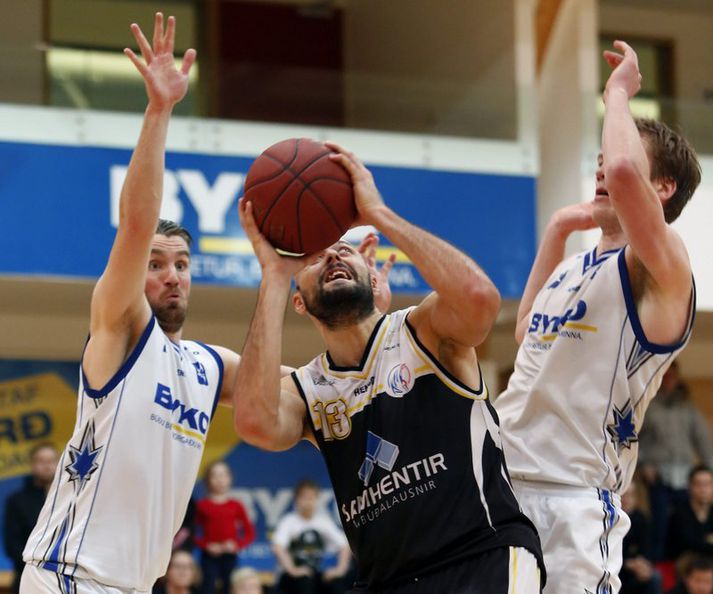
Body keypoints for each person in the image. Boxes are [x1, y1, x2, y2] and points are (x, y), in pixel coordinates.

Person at [234, 142, 545, 593]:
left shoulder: (425, 330)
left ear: (372, 272)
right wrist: (272, 278)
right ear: (297, 301)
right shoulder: (307, 390)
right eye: (316, 256)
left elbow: (479, 299)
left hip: (482, 555)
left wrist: (379, 213)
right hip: (386, 582)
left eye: (344, 248)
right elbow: (255, 422)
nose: (334, 256)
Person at [18, 14, 242, 593]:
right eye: (156, 264)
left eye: (183, 265)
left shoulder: (207, 365)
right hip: (71, 577)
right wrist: (160, 112)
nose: (172, 277)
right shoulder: (119, 329)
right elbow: (136, 225)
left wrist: (280, 274)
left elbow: (285, 392)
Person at [493, 40, 701, 594]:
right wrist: (558, 229)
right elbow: (524, 336)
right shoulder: (576, 264)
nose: (606, 166)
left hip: (573, 499)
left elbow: (629, 173)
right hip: (501, 484)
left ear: (662, 188)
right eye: (601, 162)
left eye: (619, 159)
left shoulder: (664, 267)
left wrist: (616, 94)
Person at [639, 362, 713, 559]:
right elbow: (635, 439)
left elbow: (702, 439)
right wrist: (644, 464)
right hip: (659, 476)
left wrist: (709, 469)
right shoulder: (648, 405)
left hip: (685, 477)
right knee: (659, 526)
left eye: (672, 376)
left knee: (685, 524)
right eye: (665, 375)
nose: (668, 380)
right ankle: (657, 567)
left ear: (678, 378)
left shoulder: (687, 407)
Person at [272, 480, 350, 594]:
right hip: (292, 577)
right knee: (305, 581)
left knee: (336, 583)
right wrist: (293, 569)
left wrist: (340, 569)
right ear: (296, 499)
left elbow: (344, 545)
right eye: (304, 498)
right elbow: (277, 546)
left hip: (316, 573)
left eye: (312, 498)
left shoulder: (323, 521)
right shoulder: (289, 521)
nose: (308, 502)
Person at [3, 443, 58, 594]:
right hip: (28, 578)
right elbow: (12, 545)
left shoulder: (68, 500)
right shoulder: (17, 501)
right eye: (41, 461)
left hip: (64, 581)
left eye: (51, 461)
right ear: (33, 464)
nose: (47, 466)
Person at [195, 460, 256, 594]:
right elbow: (192, 533)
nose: (220, 480)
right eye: (215, 475)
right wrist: (207, 545)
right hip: (209, 556)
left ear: (230, 478)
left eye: (223, 475)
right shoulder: (202, 505)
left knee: (230, 586)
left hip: (230, 555)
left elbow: (250, 533)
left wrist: (236, 545)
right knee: (208, 586)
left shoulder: (236, 505)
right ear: (208, 480)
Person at [620, 476, 663, 594]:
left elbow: (648, 549)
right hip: (617, 568)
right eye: (623, 495)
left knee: (654, 577)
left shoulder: (642, 519)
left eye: (631, 495)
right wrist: (628, 564)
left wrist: (643, 564)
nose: (626, 499)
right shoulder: (610, 520)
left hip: (636, 569)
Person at [667, 466, 713, 561]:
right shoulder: (679, 514)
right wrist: (707, 540)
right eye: (698, 484)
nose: (703, 489)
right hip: (686, 564)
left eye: (707, 484)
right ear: (690, 487)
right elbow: (689, 544)